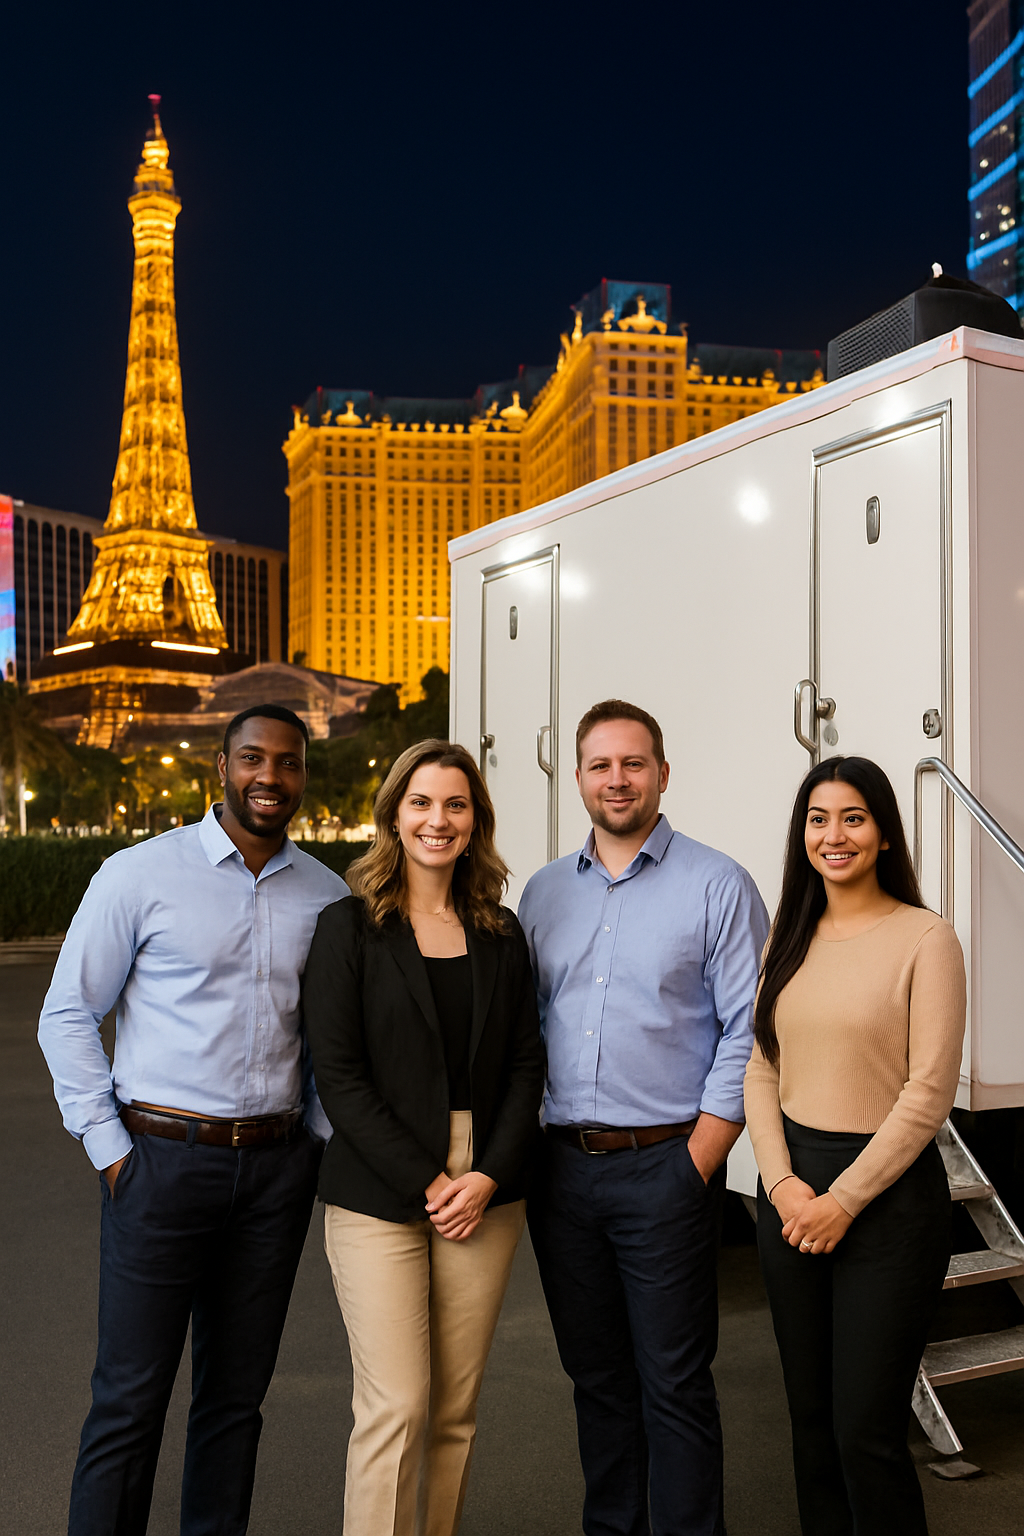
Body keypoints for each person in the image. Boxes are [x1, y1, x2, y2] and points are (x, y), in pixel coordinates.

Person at [37, 704, 349, 1536]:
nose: (270, 778)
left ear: (303, 776)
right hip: (159, 1163)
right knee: (129, 1401)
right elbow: (67, 1014)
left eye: (288, 763)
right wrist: (110, 1150)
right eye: (253, 758)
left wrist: (313, 1140)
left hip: (275, 1172)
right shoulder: (138, 875)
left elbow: (333, 1039)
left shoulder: (329, 894)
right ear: (222, 764)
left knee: (235, 1403)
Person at [518, 699, 769, 1536]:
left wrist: (699, 1158)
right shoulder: (544, 893)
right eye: (600, 765)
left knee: (675, 1383)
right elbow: (525, 1027)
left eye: (633, 764)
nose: (616, 779)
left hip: (667, 1167)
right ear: (578, 777)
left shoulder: (718, 882)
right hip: (563, 1173)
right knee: (597, 1382)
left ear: (663, 773)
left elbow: (751, 1029)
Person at [302, 738, 544, 1536]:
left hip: (486, 1184)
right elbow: (338, 1075)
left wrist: (487, 1175)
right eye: (421, 802)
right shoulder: (348, 928)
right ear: (393, 815)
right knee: (396, 1404)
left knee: (454, 1409)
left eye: (455, 805)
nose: (437, 820)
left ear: (475, 821)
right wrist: (432, 1181)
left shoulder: (501, 931)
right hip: (381, 1182)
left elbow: (523, 1065)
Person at [744, 755, 966, 1536]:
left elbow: (928, 1093)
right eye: (817, 819)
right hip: (793, 1196)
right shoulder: (790, 930)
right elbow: (760, 1068)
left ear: (881, 833)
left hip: (886, 1203)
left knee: (864, 1432)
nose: (833, 836)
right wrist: (780, 1186)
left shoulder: (926, 938)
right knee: (809, 1428)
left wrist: (842, 1200)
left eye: (852, 818)